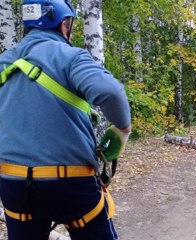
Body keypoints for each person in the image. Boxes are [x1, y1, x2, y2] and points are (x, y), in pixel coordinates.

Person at [0, 0, 131, 240]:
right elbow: (111, 92)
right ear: (64, 24)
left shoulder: (3, 62)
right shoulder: (70, 57)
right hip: (69, 184)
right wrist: (123, 129)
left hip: (13, 182)